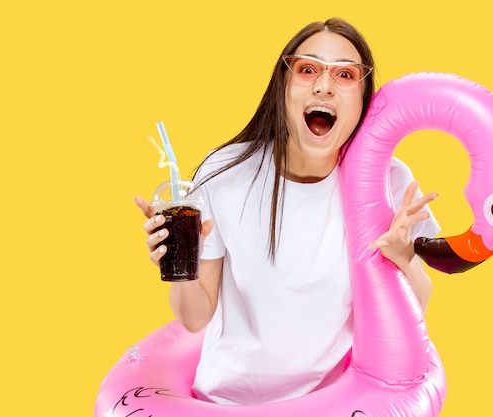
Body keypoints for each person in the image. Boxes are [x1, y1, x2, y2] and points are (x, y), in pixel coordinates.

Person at [134, 18, 440, 405]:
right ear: (283, 87)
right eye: (307, 69)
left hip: (335, 405)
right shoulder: (225, 173)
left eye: (345, 74)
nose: (324, 85)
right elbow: (195, 318)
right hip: (228, 404)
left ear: (364, 98)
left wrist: (404, 260)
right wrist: (179, 261)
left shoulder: (388, 181)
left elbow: (419, 307)